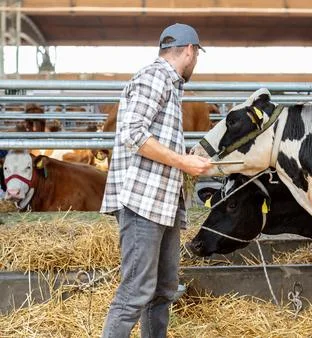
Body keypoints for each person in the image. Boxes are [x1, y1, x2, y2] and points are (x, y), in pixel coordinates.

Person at [100, 23, 213, 338]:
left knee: (163, 289)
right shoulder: (155, 77)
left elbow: (154, 139)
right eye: (196, 56)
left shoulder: (171, 84)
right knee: (136, 289)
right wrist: (182, 162)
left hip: (165, 203)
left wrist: (189, 159)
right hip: (142, 203)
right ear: (190, 51)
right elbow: (133, 133)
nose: (195, 62)